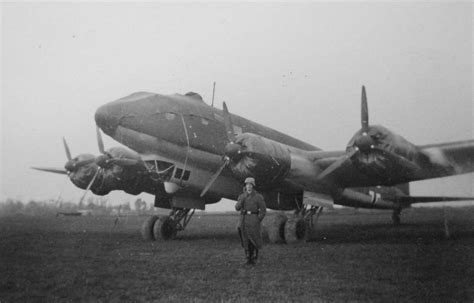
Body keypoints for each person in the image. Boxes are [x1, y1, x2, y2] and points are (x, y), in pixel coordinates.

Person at [235, 177, 267, 265]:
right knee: (245, 239)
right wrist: (241, 200)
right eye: (247, 184)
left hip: (253, 218)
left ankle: (254, 258)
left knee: (254, 239)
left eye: (250, 184)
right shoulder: (242, 196)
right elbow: (237, 208)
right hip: (244, 219)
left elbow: (263, 210)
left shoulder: (258, 197)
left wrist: (258, 219)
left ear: (253, 186)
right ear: (245, 186)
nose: (248, 186)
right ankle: (247, 258)